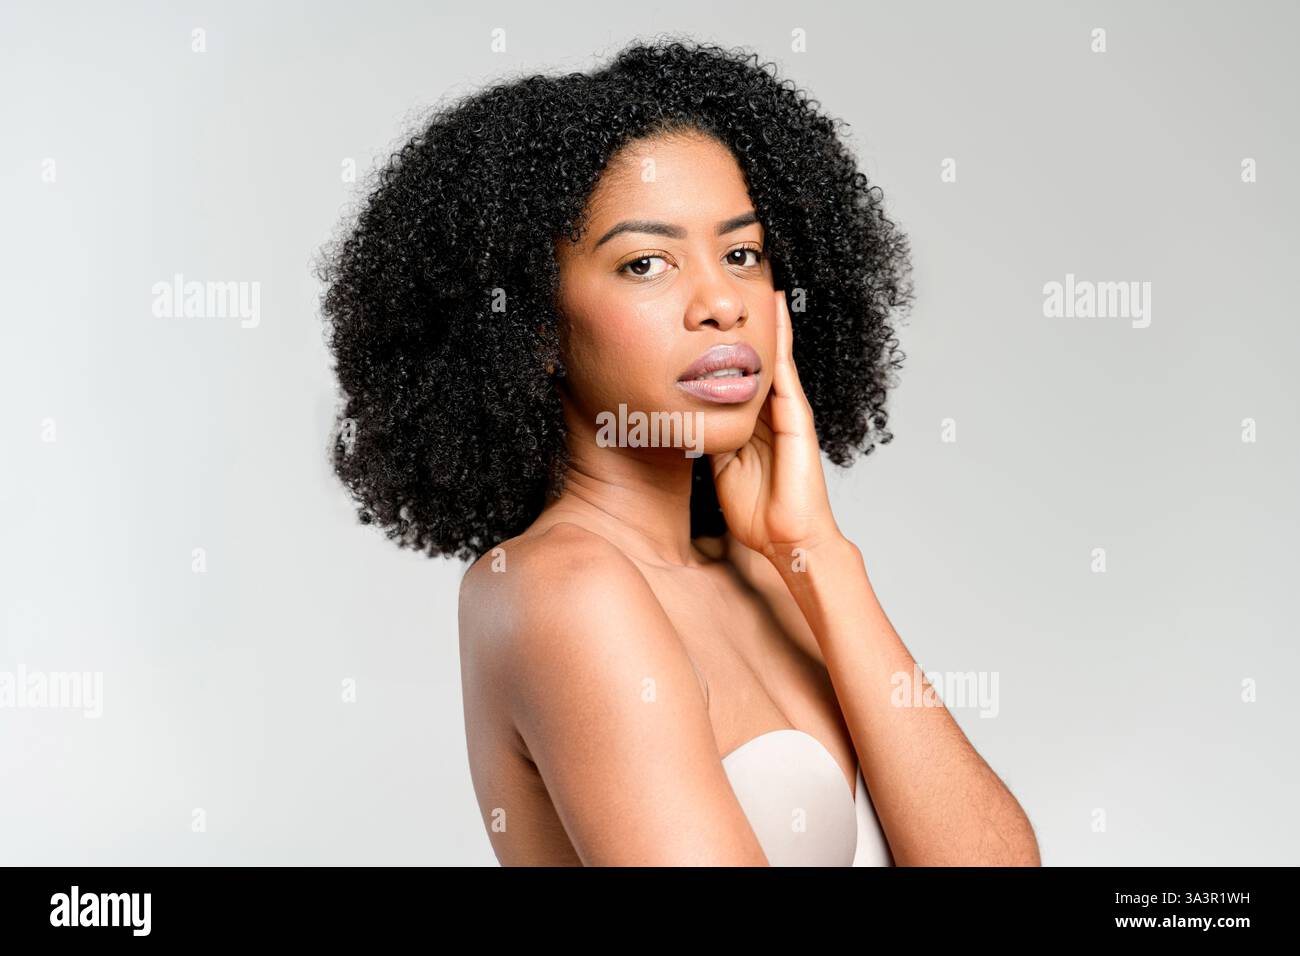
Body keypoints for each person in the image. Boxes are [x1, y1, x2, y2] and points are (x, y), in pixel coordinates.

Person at [319, 36, 1040, 866]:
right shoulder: (559, 590)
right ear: (534, 328)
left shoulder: (771, 573)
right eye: (647, 263)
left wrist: (818, 554)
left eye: (742, 254)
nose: (722, 303)